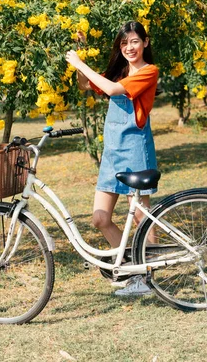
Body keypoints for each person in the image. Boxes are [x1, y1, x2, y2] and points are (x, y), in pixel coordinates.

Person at [65, 21, 159, 296]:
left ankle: (147, 277)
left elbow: (112, 90)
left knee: (142, 216)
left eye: (134, 42)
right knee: (100, 218)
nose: (129, 48)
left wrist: (82, 64)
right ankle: (131, 266)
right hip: (113, 152)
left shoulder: (148, 72)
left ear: (145, 43)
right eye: (124, 43)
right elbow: (87, 85)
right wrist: (80, 55)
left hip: (135, 149)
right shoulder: (118, 72)